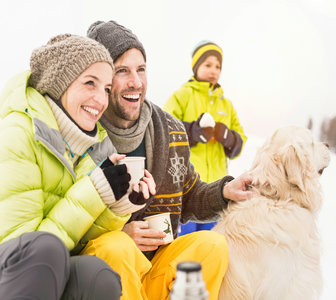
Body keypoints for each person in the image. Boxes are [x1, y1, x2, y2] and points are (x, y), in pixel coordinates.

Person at [87, 20, 254, 300]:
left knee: (212, 245)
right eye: (122, 71)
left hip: (158, 264)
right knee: (116, 247)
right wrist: (122, 232)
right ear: (101, 79)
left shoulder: (168, 129)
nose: (136, 82)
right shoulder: (85, 127)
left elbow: (188, 193)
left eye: (141, 69)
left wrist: (224, 191)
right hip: (109, 268)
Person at [0, 34, 155, 299]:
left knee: (97, 274)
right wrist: (94, 191)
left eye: (106, 88)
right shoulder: (19, 132)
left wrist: (118, 204)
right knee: (47, 249)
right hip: (12, 271)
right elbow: (23, 251)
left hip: (50, 266)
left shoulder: (92, 147)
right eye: (89, 83)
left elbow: (80, 241)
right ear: (61, 84)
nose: (100, 99)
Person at [164, 40, 247, 235]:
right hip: (187, 190)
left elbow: (239, 144)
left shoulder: (226, 105)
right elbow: (165, 131)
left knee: (212, 245)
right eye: (207, 65)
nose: (213, 70)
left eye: (217, 66)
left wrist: (227, 136)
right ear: (196, 67)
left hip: (218, 192)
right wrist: (193, 132)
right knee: (185, 246)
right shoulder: (181, 96)